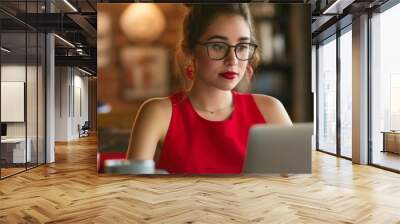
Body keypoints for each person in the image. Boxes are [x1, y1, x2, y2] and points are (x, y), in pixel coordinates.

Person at [126, 3, 292, 174]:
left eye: (242, 47)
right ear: (190, 51)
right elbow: (132, 191)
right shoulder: (157, 113)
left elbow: (299, 188)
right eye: (218, 46)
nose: (233, 60)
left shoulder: (271, 110)